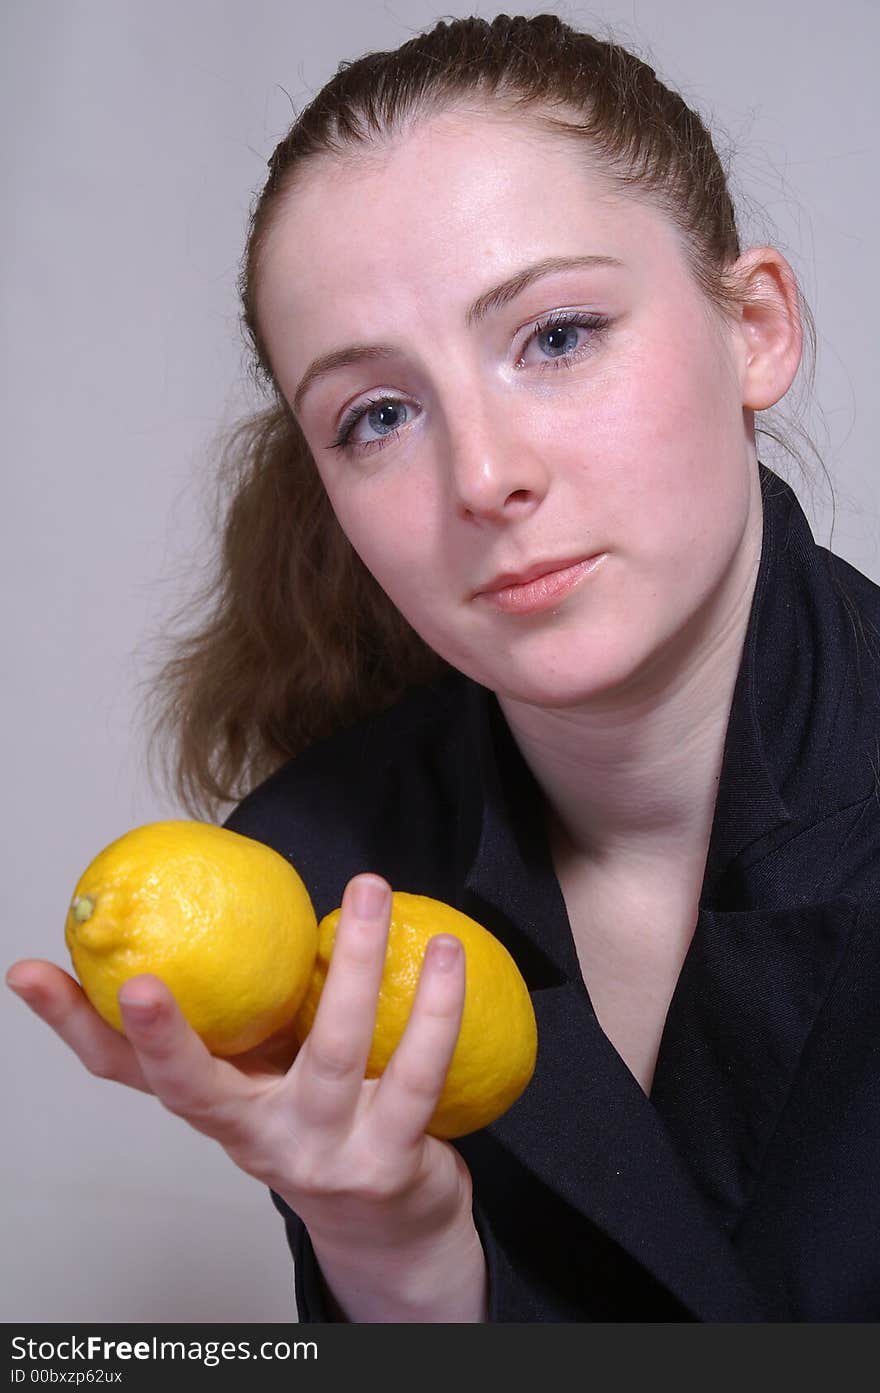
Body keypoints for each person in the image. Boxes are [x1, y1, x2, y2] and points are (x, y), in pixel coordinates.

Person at [7, 13, 880, 1322]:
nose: (482, 476)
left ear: (753, 326)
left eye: (557, 335)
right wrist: (403, 1260)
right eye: (378, 415)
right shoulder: (308, 875)